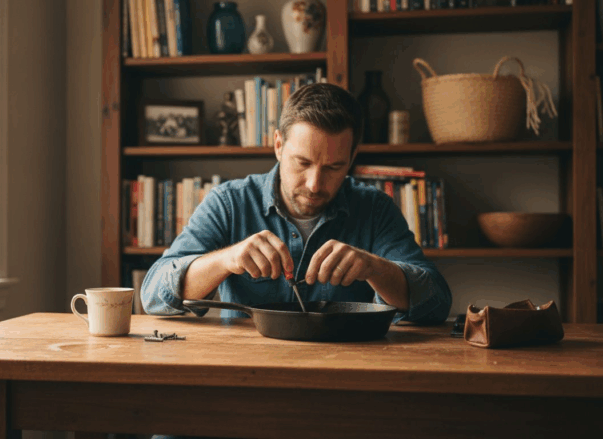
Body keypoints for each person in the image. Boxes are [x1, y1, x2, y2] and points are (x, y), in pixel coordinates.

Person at [140, 83, 452, 324]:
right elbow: (153, 295)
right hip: (246, 372)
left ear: (352, 158)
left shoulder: (375, 209)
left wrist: (375, 268)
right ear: (278, 145)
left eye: (333, 167)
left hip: (346, 371)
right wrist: (226, 260)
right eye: (302, 162)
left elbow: (437, 302)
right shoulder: (230, 202)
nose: (316, 184)